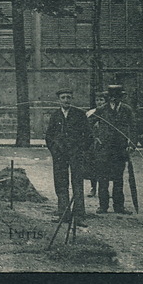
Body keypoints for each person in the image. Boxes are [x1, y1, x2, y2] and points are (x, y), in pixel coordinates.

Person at [44, 88, 91, 226]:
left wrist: (81, 150)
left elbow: (88, 135)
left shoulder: (79, 114)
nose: (66, 100)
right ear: (59, 100)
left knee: (77, 183)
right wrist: (54, 150)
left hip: (76, 155)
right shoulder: (55, 115)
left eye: (68, 97)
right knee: (60, 183)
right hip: (59, 155)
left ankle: (79, 216)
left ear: (72, 99)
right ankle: (63, 213)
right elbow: (49, 136)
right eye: (63, 97)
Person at [95, 85, 135, 215]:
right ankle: (103, 206)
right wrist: (95, 138)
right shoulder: (101, 110)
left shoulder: (127, 110)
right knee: (103, 178)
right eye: (111, 96)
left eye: (117, 96)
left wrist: (132, 144)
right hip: (104, 149)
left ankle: (119, 207)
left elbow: (134, 128)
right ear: (108, 97)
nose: (114, 99)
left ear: (121, 97)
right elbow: (88, 124)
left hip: (120, 150)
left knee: (118, 178)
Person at [85, 92, 107, 198]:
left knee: (106, 167)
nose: (99, 102)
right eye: (97, 100)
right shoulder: (91, 112)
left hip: (105, 144)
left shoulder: (108, 112)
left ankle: (105, 190)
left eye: (101, 100)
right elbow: (87, 127)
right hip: (93, 144)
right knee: (92, 166)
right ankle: (93, 188)